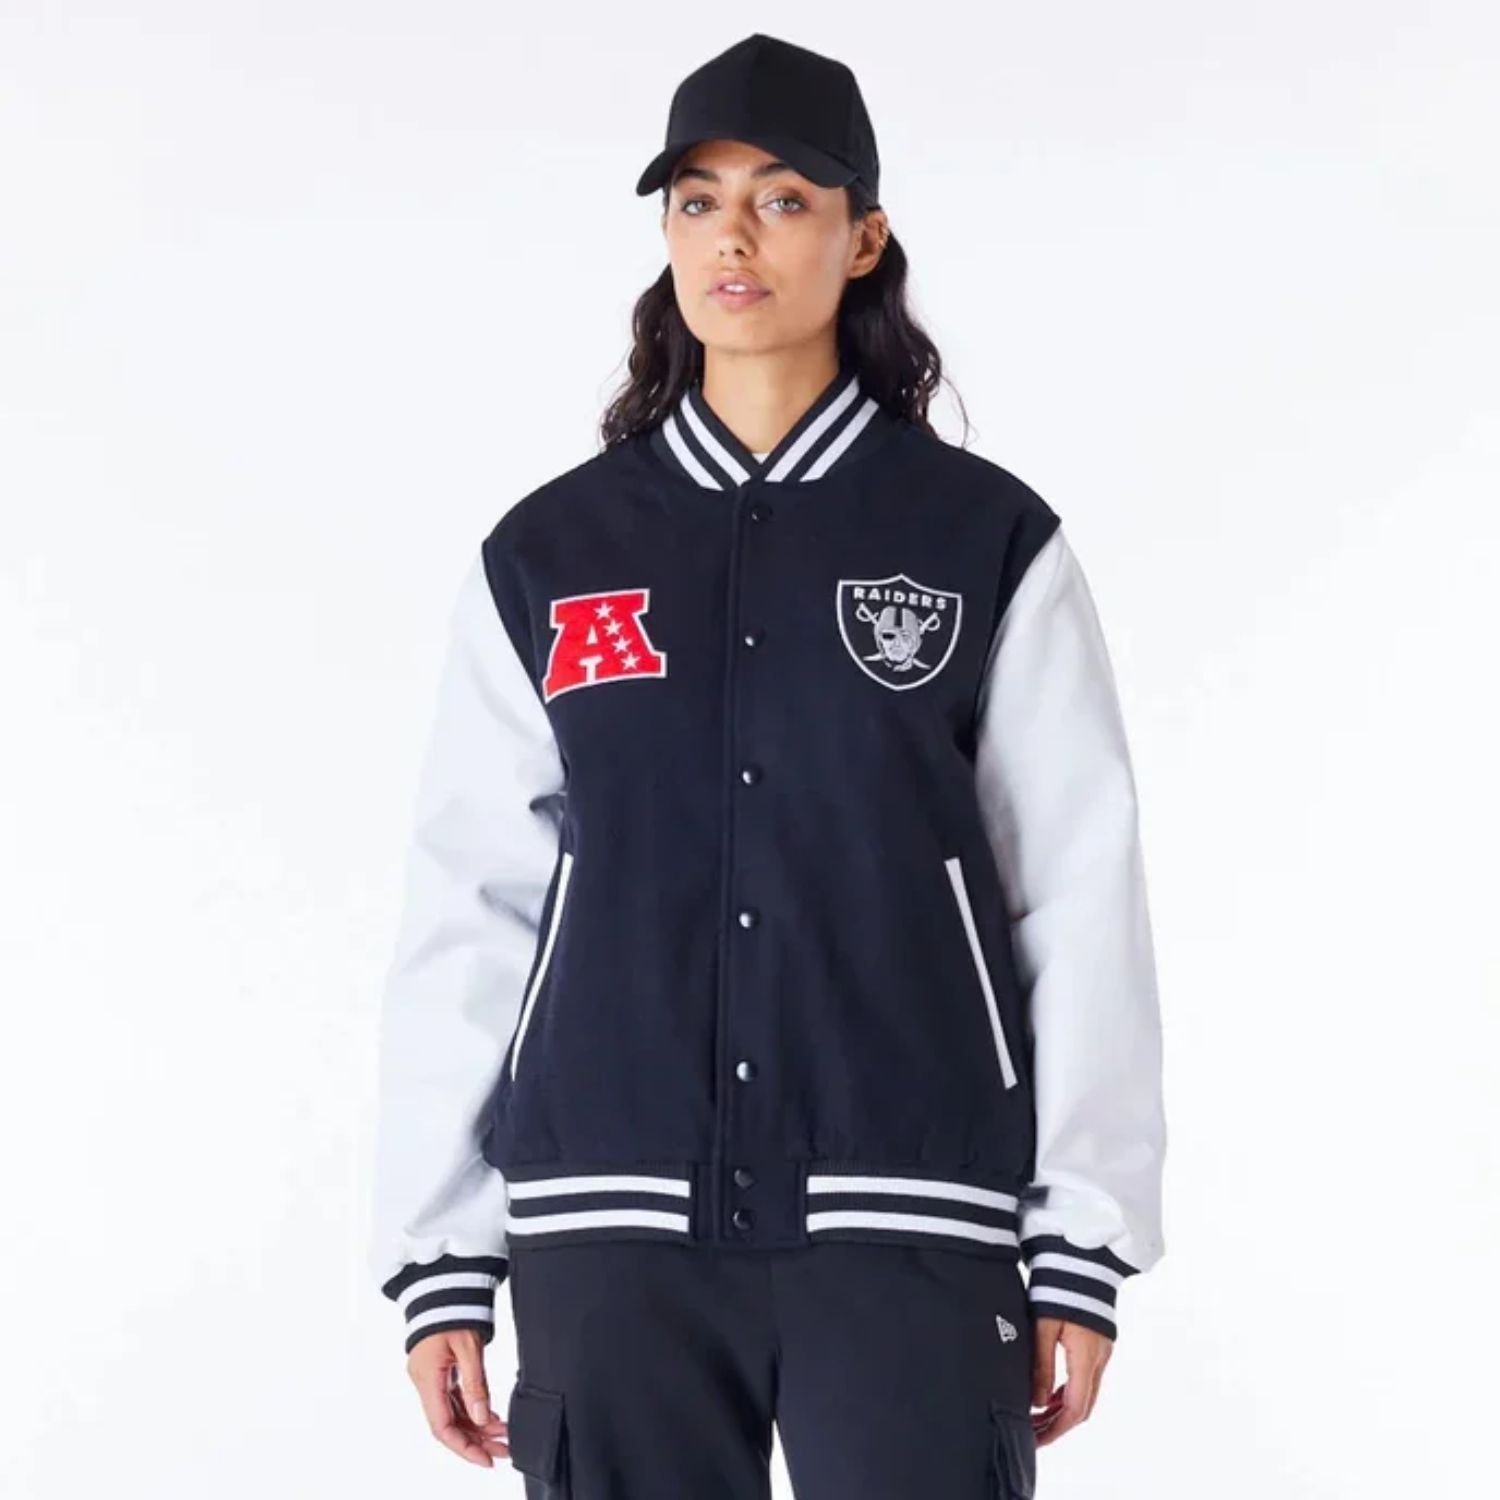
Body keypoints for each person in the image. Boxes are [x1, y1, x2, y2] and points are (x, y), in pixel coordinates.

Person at [366, 32, 1166, 1500]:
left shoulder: (982, 542)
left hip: (909, 1208)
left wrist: (1083, 1234)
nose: (733, 235)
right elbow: (472, 904)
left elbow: (1076, 887)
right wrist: (440, 1253)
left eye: (784, 198)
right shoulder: (552, 555)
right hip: (610, 1218)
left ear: (863, 239)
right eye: (698, 200)